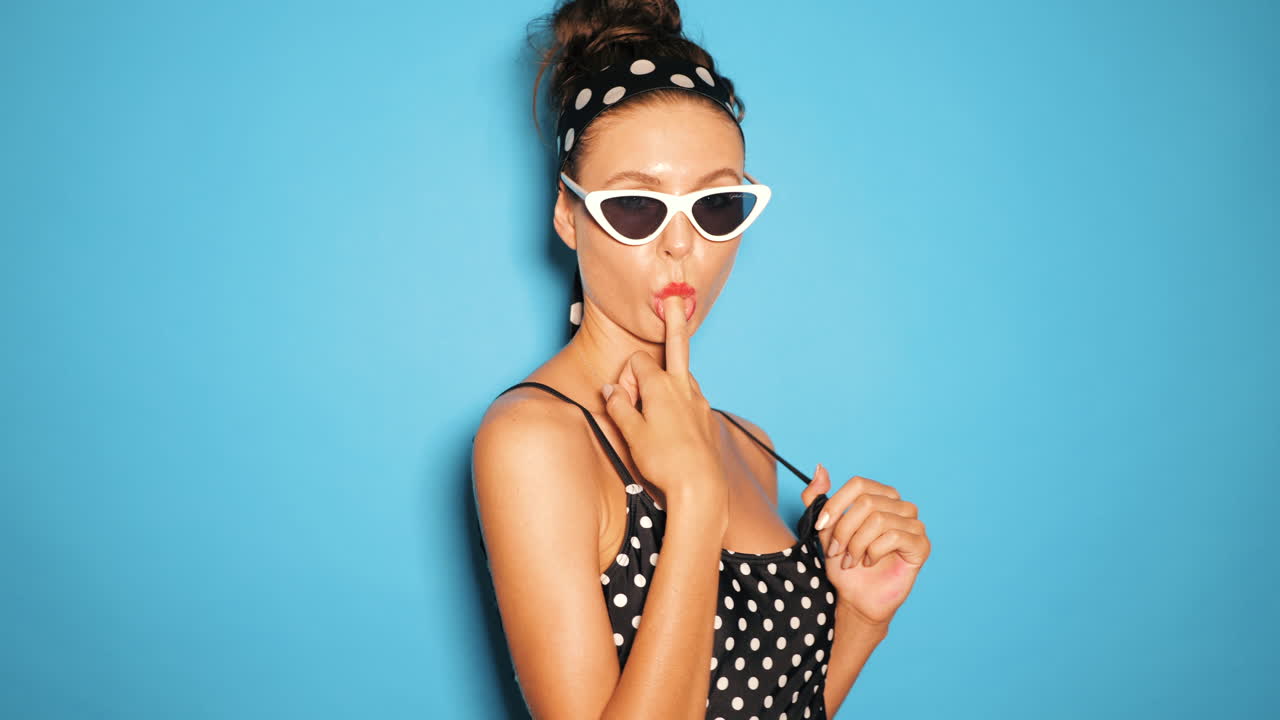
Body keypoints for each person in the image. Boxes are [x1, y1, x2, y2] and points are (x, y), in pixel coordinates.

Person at [471, 1, 931, 717]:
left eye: (716, 206)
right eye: (635, 207)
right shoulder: (535, 440)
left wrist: (865, 618)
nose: (681, 244)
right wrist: (693, 499)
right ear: (568, 216)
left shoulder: (748, 444)